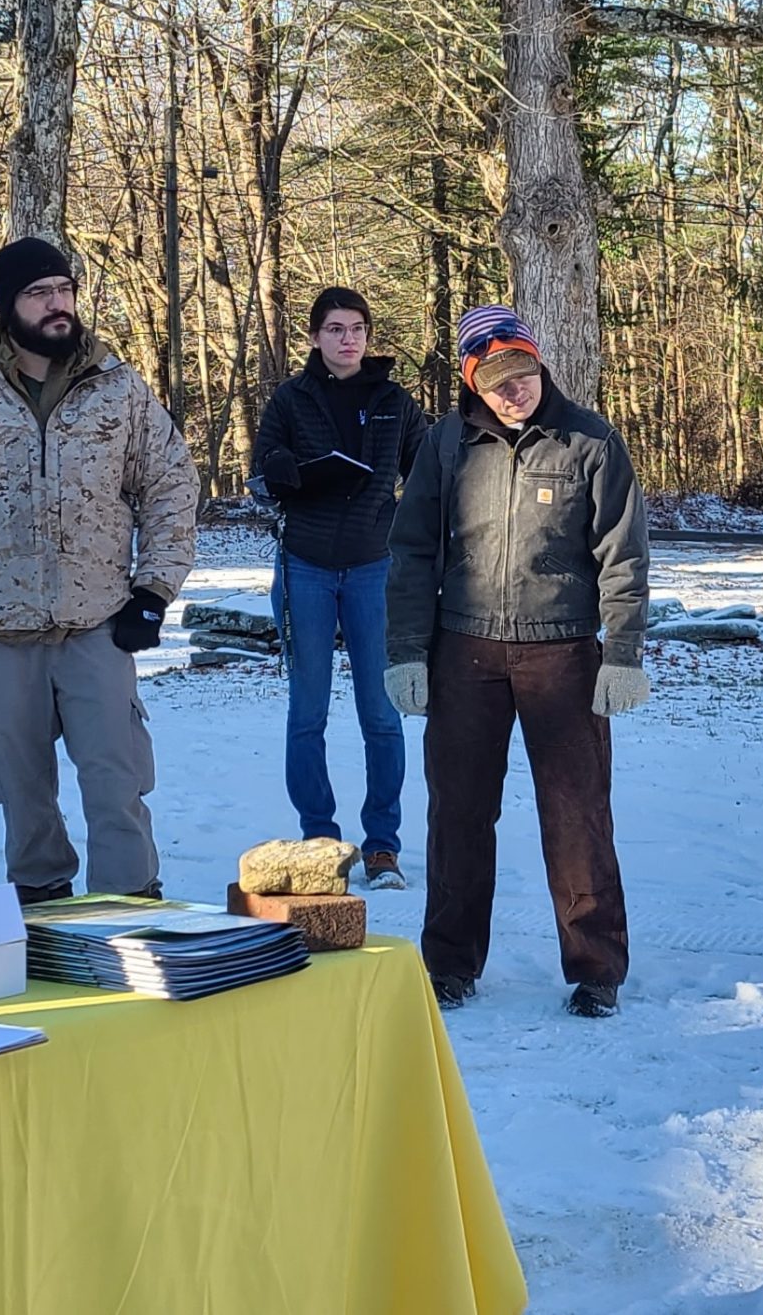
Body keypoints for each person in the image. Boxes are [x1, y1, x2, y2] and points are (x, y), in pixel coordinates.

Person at [0, 237, 200, 904]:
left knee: (117, 787)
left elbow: (171, 484)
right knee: (23, 798)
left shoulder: (117, 389)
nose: (58, 304)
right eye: (39, 292)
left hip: (98, 625)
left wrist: (153, 588)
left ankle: (129, 916)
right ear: (8, 305)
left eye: (64, 288)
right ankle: (42, 923)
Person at [384, 307, 652, 1018]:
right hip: (462, 652)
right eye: (499, 381)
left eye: (524, 374)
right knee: (459, 813)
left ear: (539, 364)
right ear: (473, 380)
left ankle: (596, 967)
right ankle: (448, 963)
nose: (516, 391)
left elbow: (622, 556)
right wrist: (407, 650)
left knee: (577, 815)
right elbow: (411, 554)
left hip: (562, 651)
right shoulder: (445, 445)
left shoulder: (590, 441)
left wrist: (620, 651)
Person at [251, 287, 427, 889]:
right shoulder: (290, 399)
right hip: (304, 566)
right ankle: (320, 840)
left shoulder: (394, 402)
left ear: (368, 337)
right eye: (334, 329)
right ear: (315, 337)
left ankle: (382, 847)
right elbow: (264, 469)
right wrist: (278, 472)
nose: (346, 339)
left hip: (375, 568)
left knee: (382, 714)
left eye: (356, 328)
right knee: (308, 714)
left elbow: (425, 480)